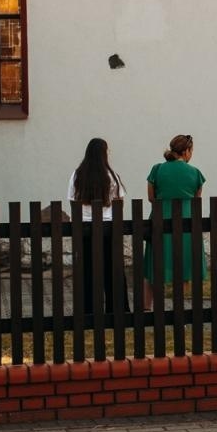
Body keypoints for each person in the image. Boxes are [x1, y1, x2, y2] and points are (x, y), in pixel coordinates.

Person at [67, 137, 128, 321]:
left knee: (86, 270)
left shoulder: (77, 175)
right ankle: (117, 308)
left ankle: (87, 310)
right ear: (104, 154)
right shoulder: (112, 176)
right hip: (108, 228)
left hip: (84, 229)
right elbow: (119, 201)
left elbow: (72, 201)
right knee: (113, 269)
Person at [144, 134, 207, 302]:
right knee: (185, 264)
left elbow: (151, 197)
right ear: (186, 151)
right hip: (187, 221)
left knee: (153, 265)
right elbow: (196, 199)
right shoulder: (195, 173)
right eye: (191, 150)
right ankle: (181, 306)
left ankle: (147, 306)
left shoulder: (156, 169)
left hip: (160, 219)